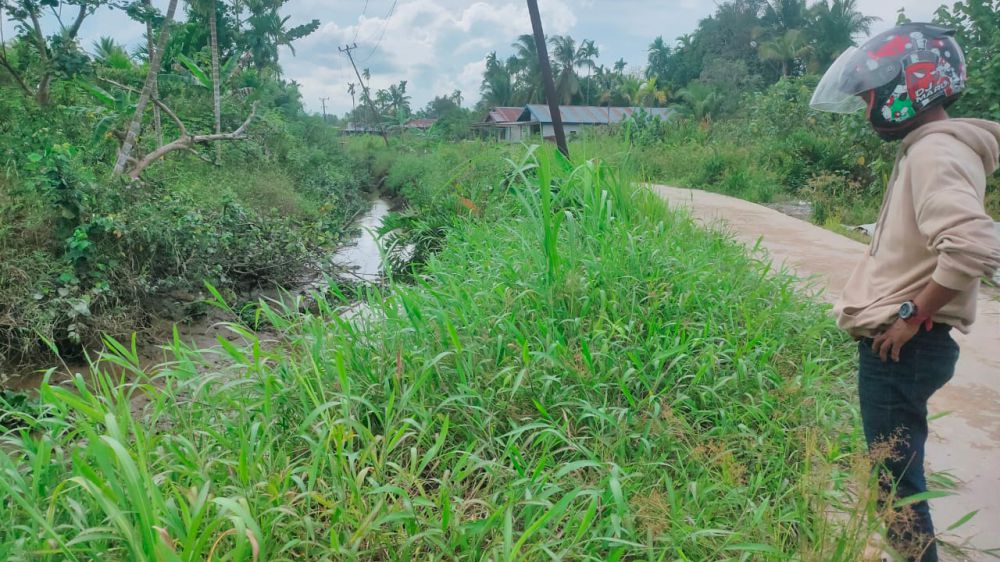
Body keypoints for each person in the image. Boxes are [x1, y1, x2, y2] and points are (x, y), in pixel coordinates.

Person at [810, 23, 1000, 562]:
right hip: (907, 347)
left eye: (870, 93)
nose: (866, 106)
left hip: (904, 348)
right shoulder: (930, 149)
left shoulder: (934, 152)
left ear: (908, 86)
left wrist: (912, 315)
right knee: (897, 483)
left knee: (896, 494)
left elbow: (973, 246)